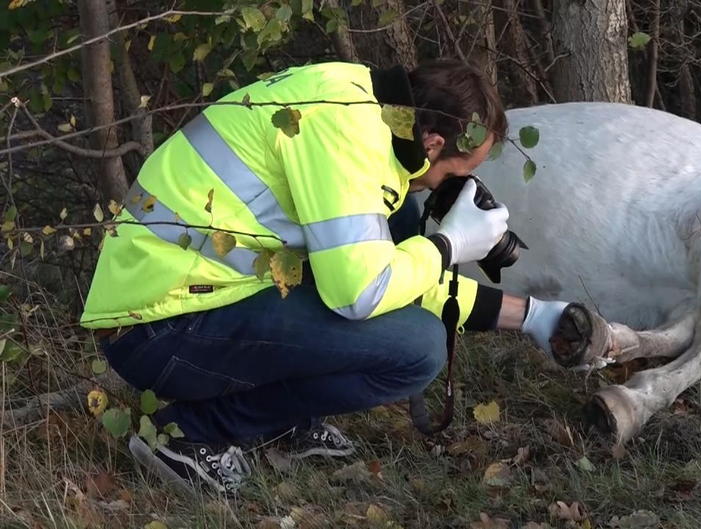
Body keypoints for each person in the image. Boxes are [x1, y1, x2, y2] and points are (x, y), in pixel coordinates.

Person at [80, 59, 578, 494]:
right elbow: (362, 293)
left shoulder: (359, 102)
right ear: (432, 142)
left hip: (193, 299)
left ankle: (284, 420)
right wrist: (447, 246)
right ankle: (189, 433)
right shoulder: (343, 138)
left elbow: (392, 278)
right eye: (454, 173)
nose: (452, 186)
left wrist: (533, 317)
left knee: (401, 225)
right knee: (418, 350)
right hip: (155, 329)